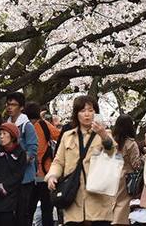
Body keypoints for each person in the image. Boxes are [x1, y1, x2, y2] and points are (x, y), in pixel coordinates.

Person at [45, 95, 116, 226]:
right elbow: (58, 161)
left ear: (96, 112)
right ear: (76, 114)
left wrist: (103, 135)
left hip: (98, 195)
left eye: (90, 110)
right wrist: (52, 176)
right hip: (73, 194)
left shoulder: (105, 135)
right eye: (82, 111)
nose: (87, 114)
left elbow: (112, 152)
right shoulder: (68, 136)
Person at [5, 91, 39, 226]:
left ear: (21, 107)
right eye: (8, 104)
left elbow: (33, 148)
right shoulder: (6, 125)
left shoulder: (27, 126)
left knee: (22, 213)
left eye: (13, 105)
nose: (9, 107)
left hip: (24, 177)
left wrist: (21, 160)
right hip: (8, 175)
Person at [0, 122, 27, 226]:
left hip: (10, 199)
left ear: (12, 136)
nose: (1, 136)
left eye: (4, 133)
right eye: (0, 134)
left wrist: (4, 187)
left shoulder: (20, 153)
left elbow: (18, 176)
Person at [25, 101, 60, 226]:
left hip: (28, 175)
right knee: (47, 209)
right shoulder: (44, 125)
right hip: (46, 172)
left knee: (28, 209)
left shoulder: (23, 125)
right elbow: (59, 136)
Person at [112, 114, 143, 226]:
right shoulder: (131, 143)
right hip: (126, 177)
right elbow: (136, 164)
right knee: (123, 204)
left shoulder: (112, 142)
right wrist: (145, 157)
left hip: (111, 175)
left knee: (113, 202)